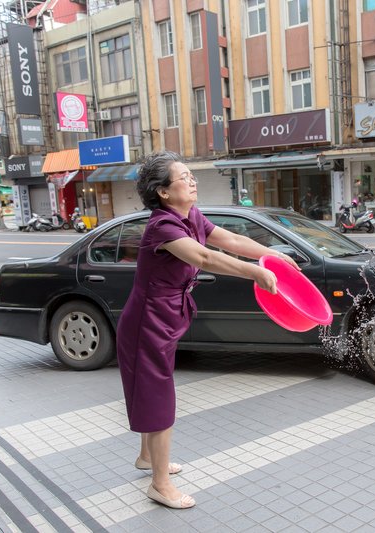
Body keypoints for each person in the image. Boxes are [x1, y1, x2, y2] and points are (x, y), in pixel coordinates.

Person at [117, 151, 298, 509]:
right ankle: (159, 483)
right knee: (159, 397)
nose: (192, 181)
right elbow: (204, 258)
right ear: (164, 192)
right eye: (183, 177)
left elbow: (229, 241)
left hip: (165, 317)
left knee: (150, 390)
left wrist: (271, 255)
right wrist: (256, 273)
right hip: (147, 323)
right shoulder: (162, 226)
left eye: (191, 176)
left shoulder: (190, 216)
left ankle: (147, 457)